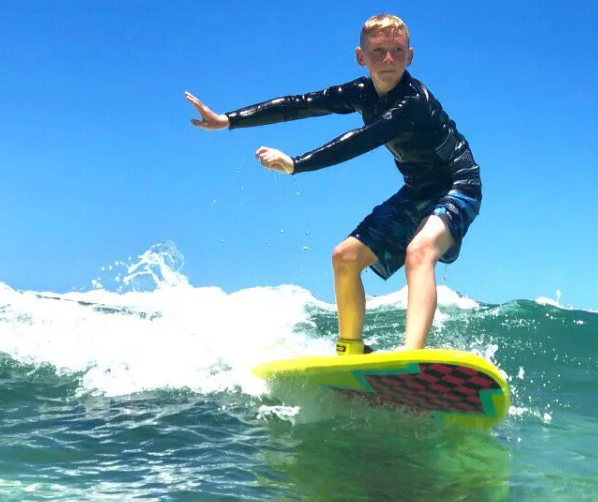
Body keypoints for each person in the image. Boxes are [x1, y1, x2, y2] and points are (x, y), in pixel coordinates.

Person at [185, 14, 481, 355]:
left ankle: (411, 359)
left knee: (419, 252)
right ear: (361, 56)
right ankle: (351, 350)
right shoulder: (361, 93)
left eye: (397, 50)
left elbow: (362, 140)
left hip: (459, 185)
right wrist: (228, 121)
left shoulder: (413, 102)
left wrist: (297, 163)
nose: (388, 58)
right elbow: (301, 105)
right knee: (344, 257)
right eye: (379, 50)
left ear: (409, 56)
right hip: (416, 191)